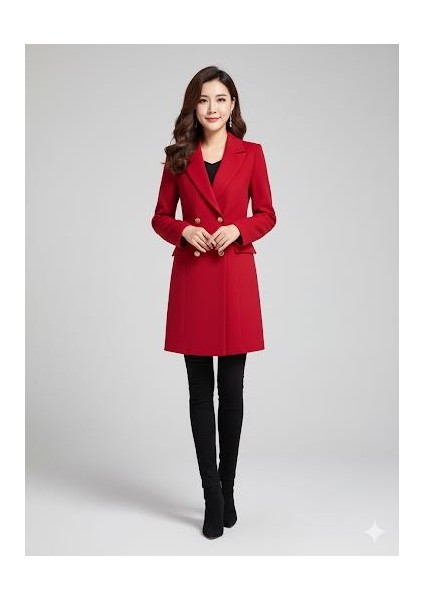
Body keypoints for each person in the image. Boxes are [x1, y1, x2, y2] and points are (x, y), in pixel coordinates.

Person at [151, 66, 277, 539]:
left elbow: (267, 213)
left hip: (234, 276)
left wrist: (239, 228)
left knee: (234, 391)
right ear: (194, 105)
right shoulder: (178, 156)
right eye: (204, 99)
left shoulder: (252, 153)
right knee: (200, 393)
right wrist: (184, 229)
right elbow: (160, 217)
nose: (212, 108)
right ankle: (211, 497)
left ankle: (228, 488)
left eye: (221, 99)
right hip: (194, 278)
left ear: (232, 105)